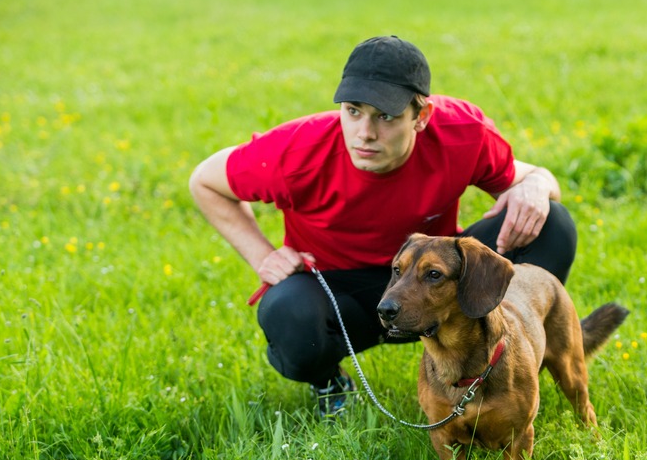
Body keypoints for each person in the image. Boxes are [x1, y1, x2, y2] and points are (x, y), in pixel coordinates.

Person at [190, 35, 578, 419]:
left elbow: (532, 179)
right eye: (353, 111)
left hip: (434, 283)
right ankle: (330, 384)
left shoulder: (460, 131)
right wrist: (262, 256)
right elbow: (204, 180)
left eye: (385, 116)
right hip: (338, 293)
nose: (365, 133)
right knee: (287, 313)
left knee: (551, 223)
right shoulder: (298, 149)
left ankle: (503, 361)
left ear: (421, 117)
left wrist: (537, 183)